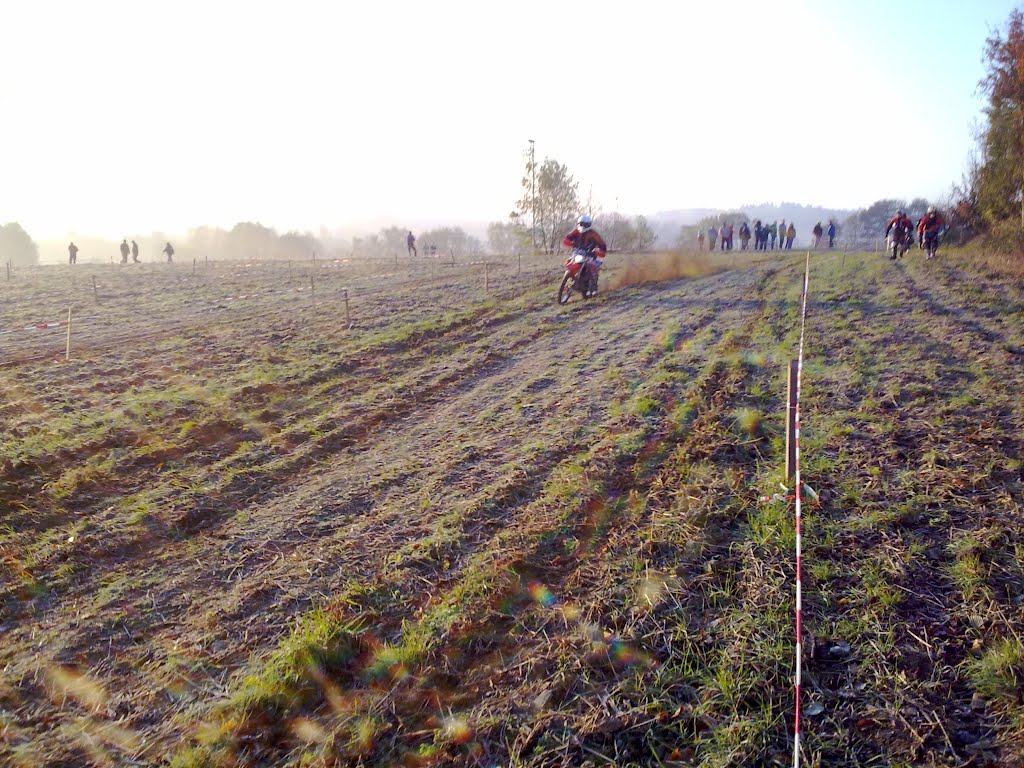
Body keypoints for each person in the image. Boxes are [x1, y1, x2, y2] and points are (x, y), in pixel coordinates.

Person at [562, 214, 607, 295]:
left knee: (592, 267)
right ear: (578, 223)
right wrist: (572, 244)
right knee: (568, 263)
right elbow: (566, 239)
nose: (582, 226)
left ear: (589, 225)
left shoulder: (593, 234)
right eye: (581, 224)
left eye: (585, 224)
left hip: (590, 254)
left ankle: (594, 286)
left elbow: (602, 244)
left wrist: (600, 251)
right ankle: (569, 281)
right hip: (577, 252)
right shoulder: (576, 231)